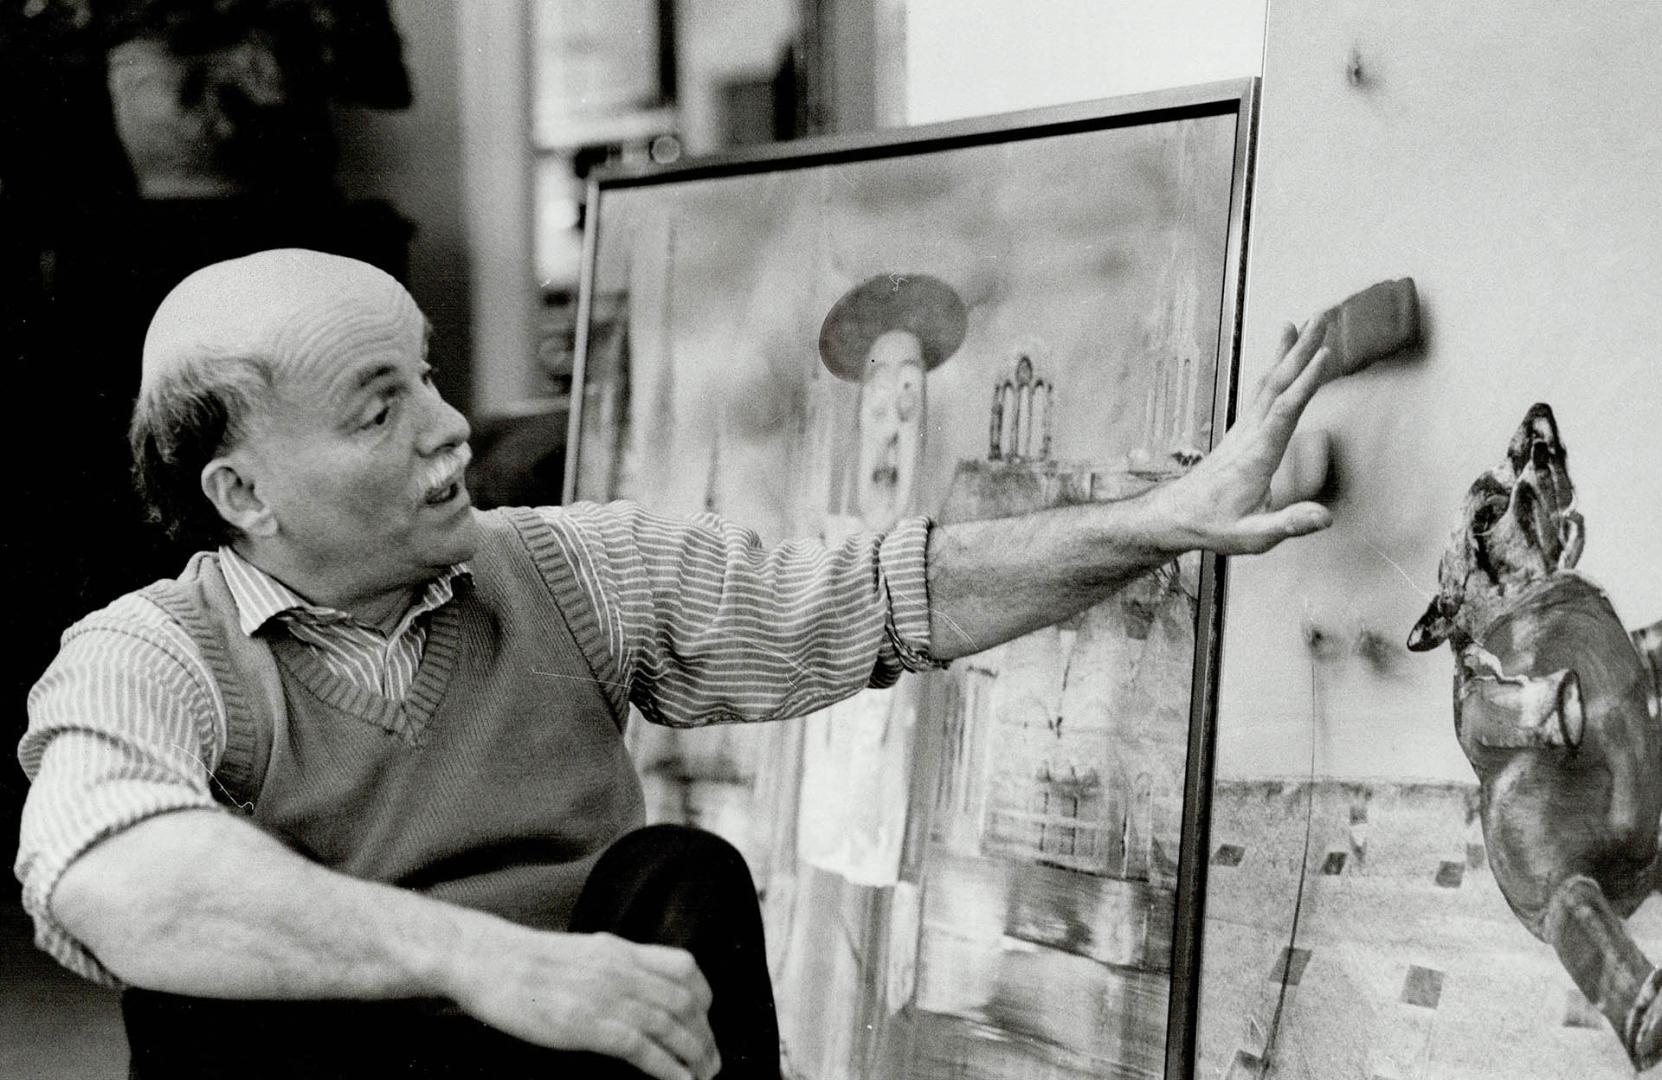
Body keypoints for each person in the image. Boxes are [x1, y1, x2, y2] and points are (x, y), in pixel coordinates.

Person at [16, 248, 1347, 1080]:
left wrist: (1154, 527)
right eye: (381, 406)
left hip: (581, 1057)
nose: (451, 425)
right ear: (244, 489)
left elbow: (873, 594)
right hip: (352, 1055)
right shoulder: (150, 654)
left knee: (679, 876)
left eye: (425, 378)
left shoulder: (565, 569)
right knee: (204, 1006)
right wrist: (479, 960)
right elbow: (105, 870)